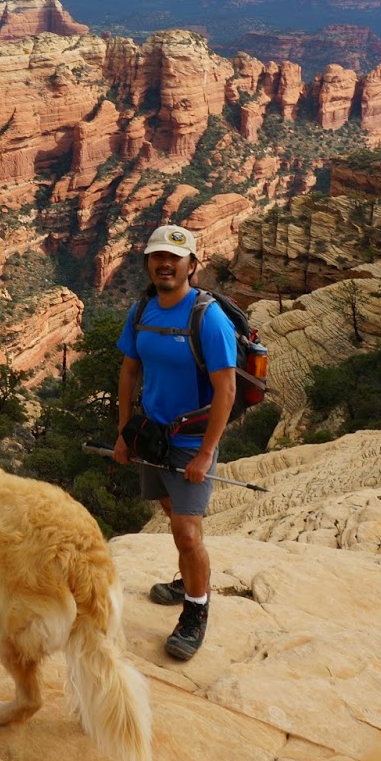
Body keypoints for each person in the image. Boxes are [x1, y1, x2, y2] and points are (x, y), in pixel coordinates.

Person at [113, 224, 236, 661]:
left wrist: (206, 453)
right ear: (148, 263)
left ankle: (196, 610)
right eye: (158, 257)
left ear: (192, 265)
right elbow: (129, 371)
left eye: (174, 258)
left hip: (191, 438)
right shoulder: (142, 310)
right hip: (152, 432)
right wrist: (125, 432)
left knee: (186, 531)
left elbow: (226, 389)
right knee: (170, 512)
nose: (165, 264)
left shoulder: (208, 318)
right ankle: (189, 579)